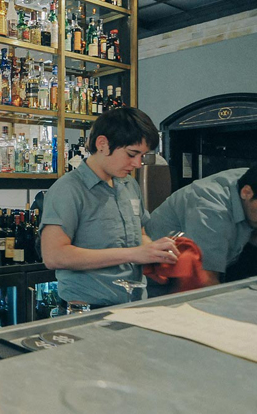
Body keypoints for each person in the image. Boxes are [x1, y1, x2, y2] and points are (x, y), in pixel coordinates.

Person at [40, 107, 180, 309]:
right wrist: (134, 254)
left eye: (142, 156)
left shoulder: (129, 185)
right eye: (132, 154)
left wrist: (155, 252)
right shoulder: (68, 190)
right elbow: (54, 256)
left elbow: (138, 233)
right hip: (87, 311)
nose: (138, 164)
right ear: (103, 144)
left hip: (133, 305)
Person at [145, 166, 257, 285]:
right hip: (161, 282)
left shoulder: (249, 180)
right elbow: (206, 281)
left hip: (211, 270)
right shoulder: (211, 209)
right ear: (246, 192)